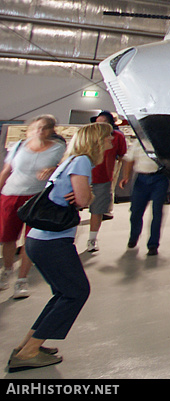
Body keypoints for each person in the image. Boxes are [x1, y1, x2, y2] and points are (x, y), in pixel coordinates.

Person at [7, 121, 111, 373]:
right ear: (97, 141)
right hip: (53, 241)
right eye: (107, 139)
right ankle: (29, 352)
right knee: (76, 292)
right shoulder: (83, 162)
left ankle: (27, 345)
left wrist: (80, 195)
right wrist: (88, 196)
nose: (110, 143)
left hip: (39, 240)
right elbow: (84, 199)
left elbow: (76, 196)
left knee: (63, 293)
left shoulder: (69, 159)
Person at [1, 115, 66, 299]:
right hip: (11, 194)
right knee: (8, 237)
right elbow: (6, 171)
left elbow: (64, 167)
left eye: (44, 128)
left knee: (30, 239)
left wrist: (54, 169)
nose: (40, 131)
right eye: (37, 127)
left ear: (51, 130)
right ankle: (7, 270)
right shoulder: (18, 147)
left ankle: (22, 279)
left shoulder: (58, 148)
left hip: (36, 197)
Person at [85, 111, 126, 253]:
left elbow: (122, 155)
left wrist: (121, 175)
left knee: (97, 210)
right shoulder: (89, 135)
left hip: (103, 178)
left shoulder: (116, 137)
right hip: (84, 176)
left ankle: (92, 240)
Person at [119, 140, 169, 256]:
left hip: (159, 178)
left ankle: (153, 245)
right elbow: (129, 160)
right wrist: (126, 176)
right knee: (136, 211)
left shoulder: (163, 142)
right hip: (141, 179)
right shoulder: (138, 143)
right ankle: (134, 236)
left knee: (157, 212)